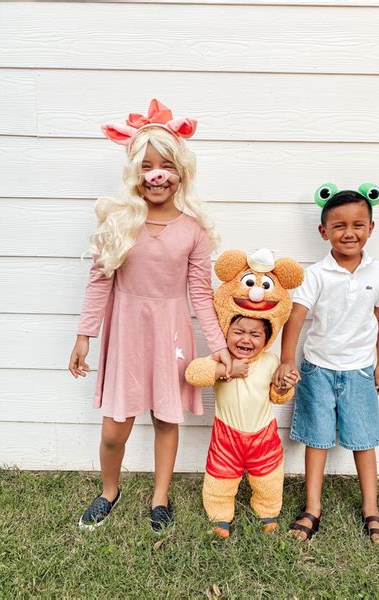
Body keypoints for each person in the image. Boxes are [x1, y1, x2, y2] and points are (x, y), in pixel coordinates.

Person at [68, 99, 231, 530]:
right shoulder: (119, 223)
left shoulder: (194, 231)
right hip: (126, 331)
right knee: (113, 431)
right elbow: (99, 281)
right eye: (146, 166)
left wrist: (219, 348)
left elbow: (200, 292)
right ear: (134, 173)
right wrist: (85, 334)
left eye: (165, 165)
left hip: (172, 334)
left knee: (165, 418)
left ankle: (160, 498)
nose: (156, 175)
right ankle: (109, 490)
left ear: (180, 172)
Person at [273, 183, 379, 544]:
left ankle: (371, 510)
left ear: (370, 228)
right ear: (323, 231)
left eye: (358, 224)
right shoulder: (316, 274)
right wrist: (286, 361)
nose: (349, 232)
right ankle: (313, 508)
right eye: (338, 225)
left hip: (359, 370)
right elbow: (295, 318)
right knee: (317, 438)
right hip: (318, 369)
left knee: (363, 439)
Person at [185, 248, 304, 537]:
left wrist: (283, 386)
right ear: (226, 330)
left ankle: (267, 512)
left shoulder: (271, 361)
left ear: (267, 337)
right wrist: (226, 370)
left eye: (255, 334)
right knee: (220, 478)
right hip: (227, 437)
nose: (246, 339)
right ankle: (219, 515)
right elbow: (193, 374)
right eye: (238, 332)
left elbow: (277, 398)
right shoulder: (221, 359)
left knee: (268, 478)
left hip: (263, 435)